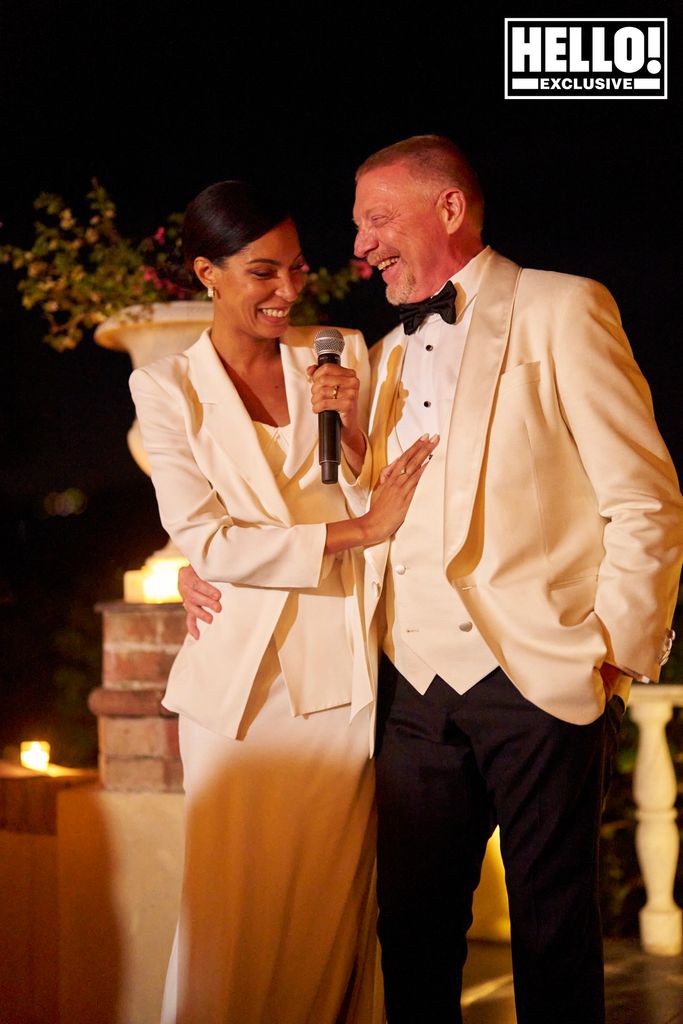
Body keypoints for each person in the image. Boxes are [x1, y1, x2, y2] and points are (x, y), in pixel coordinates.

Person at [179, 138, 683, 1024]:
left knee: (551, 937)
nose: (361, 245)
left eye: (375, 220)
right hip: (409, 687)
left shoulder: (562, 309)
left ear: (447, 211)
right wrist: (202, 561)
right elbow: (351, 506)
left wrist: (611, 650)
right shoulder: (380, 351)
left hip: (539, 676)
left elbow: (643, 497)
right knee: (409, 937)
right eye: (357, 226)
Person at [129, 179, 437, 1024]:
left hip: (337, 683)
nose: (288, 291)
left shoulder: (340, 357)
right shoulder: (166, 390)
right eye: (262, 272)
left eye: (297, 269)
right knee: (228, 914)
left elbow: (397, 499)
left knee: (332, 915)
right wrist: (356, 533)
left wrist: (363, 433)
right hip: (239, 694)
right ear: (208, 273)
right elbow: (211, 541)